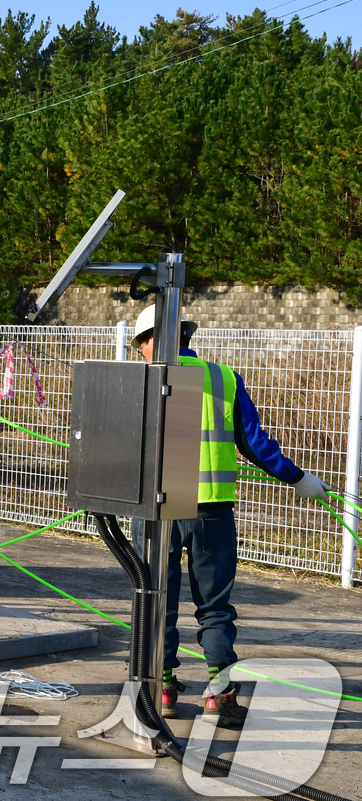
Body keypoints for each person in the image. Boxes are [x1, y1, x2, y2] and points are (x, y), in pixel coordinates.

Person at [131, 306, 329, 726]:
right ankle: (219, 696)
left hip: (153, 512)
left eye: (141, 344)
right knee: (215, 607)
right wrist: (298, 478)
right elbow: (253, 442)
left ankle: (161, 689)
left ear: (147, 341)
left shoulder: (137, 380)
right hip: (212, 513)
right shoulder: (222, 379)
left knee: (154, 600)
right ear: (185, 334)